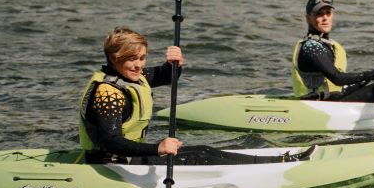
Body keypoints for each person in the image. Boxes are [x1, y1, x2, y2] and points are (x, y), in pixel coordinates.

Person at [81, 27, 272, 164]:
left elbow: (166, 76)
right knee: (200, 156)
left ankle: (274, 160)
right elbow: (111, 141)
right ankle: (271, 165)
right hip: (110, 162)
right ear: (115, 59)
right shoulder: (107, 93)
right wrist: (157, 148)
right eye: (131, 59)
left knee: (203, 150)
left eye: (142, 58)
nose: (139, 65)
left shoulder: (131, 76)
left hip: (129, 156)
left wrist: (174, 63)